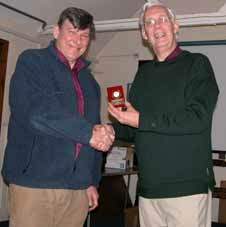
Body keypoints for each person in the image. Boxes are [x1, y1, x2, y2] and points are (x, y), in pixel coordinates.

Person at [108, 1, 219, 227]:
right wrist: (110, 129)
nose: (156, 26)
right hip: (148, 190)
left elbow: (197, 118)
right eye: (149, 22)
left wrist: (140, 119)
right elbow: (135, 129)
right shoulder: (144, 74)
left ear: (175, 26)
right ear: (144, 34)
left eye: (162, 20)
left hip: (186, 189)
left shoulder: (197, 64)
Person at [2, 7, 115, 227]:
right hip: (34, 184)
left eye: (84, 35)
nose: (78, 40)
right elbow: (35, 113)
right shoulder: (32, 62)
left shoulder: (91, 84)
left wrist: (91, 181)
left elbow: (90, 135)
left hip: (77, 190)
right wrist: (89, 133)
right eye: (72, 31)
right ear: (56, 32)